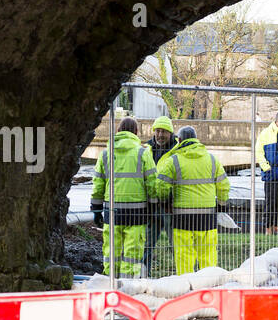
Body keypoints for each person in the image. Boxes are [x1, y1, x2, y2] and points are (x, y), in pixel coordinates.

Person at [151, 125, 231, 274]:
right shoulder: (212, 159)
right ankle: (209, 284)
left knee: (184, 255)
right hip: (207, 216)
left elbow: (161, 185)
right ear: (196, 139)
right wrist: (221, 205)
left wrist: (165, 201)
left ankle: (186, 285)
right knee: (208, 254)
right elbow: (224, 185)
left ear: (179, 140)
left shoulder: (173, 160)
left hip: (182, 216)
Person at [91, 116, 157, 277]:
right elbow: (152, 183)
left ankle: (110, 281)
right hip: (137, 211)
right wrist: (153, 205)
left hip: (112, 210)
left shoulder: (105, 154)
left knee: (112, 249)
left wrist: (97, 209)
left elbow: (98, 184)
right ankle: (128, 284)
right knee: (132, 251)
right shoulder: (143, 153)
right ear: (136, 132)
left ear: (118, 131)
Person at [142, 115, 177, 274]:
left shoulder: (177, 150)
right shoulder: (145, 150)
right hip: (150, 205)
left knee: (175, 244)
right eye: (158, 131)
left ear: (170, 133)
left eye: (164, 131)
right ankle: (144, 274)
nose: (160, 134)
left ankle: (182, 275)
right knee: (147, 243)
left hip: (170, 206)